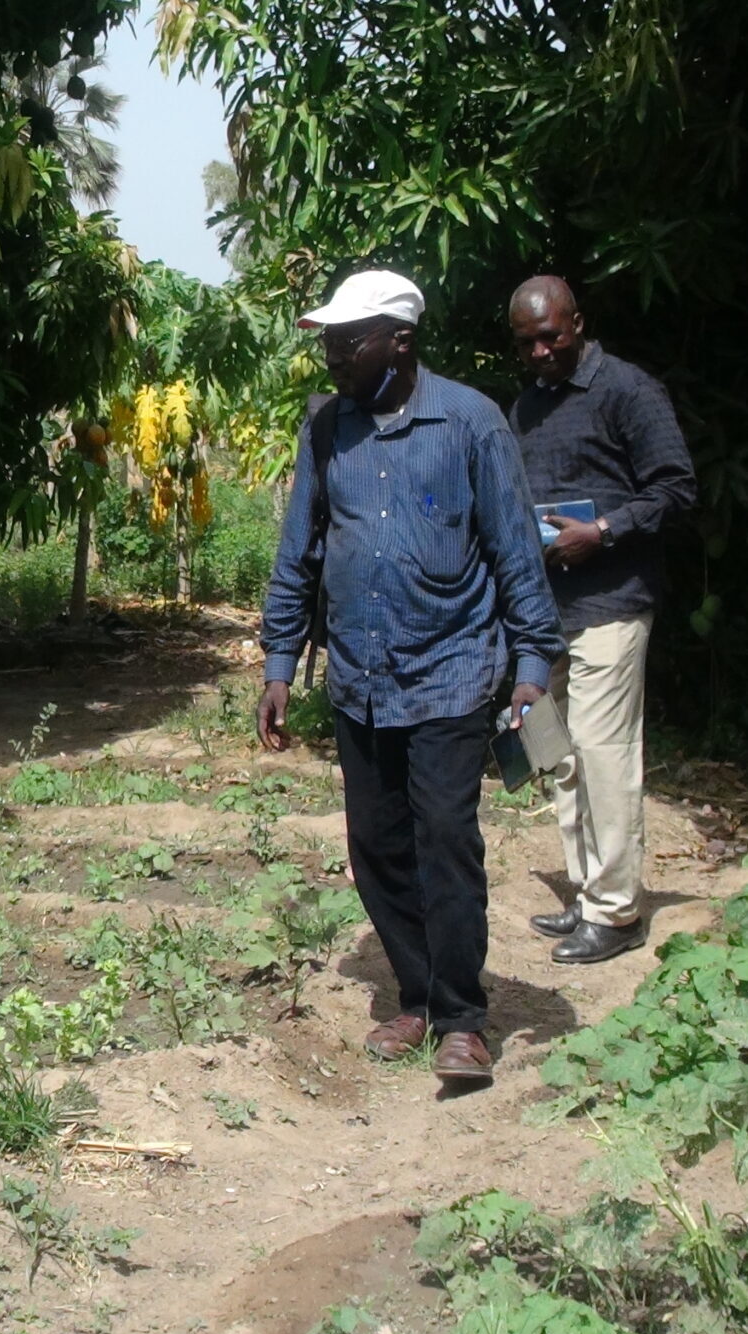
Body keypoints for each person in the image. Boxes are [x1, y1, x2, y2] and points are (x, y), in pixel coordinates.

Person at [257, 270, 564, 1085]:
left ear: (399, 341)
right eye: (326, 340)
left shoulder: (470, 424)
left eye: (345, 341)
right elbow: (299, 554)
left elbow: (514, 554)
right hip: (360, 679)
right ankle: (417, 996)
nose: (330, 356)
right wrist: (280, 662)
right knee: (377, 846)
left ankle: (463, 1018)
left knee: (445, 844)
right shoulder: (325, 430)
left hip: (452, 674)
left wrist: (533, 663)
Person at [507, 277, 697, 964]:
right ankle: (588, 892)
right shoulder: (527, 407)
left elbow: (676, 489)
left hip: (613, 599)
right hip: (548, 611)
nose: (540, 350)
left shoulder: (627, 390)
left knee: (604, 751)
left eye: (552, 335)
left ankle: (616, 913)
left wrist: (606, 529)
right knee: (557, 756)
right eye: (527, 341)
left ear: (578, 323)